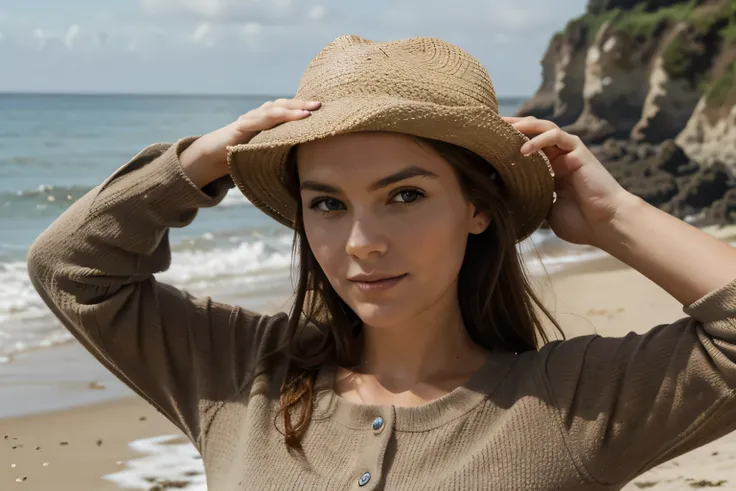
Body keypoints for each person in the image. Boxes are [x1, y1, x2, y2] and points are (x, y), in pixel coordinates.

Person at [27, 34, 736, 490]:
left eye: (404, 194)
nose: (362, 240)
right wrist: (208, 157)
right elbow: (70, 267)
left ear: (477, 207)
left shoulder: (571, 400)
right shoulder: (239, 375)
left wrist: (615, 218)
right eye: (328, 203)